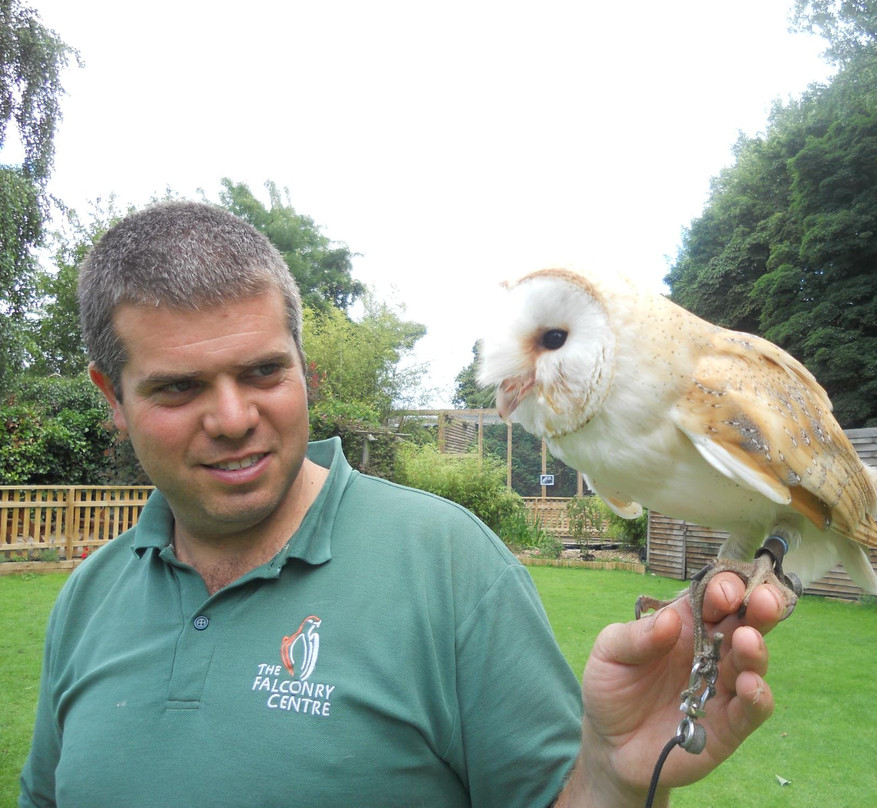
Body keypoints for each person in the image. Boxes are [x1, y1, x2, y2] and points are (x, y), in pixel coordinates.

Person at [19, 202, 785, 807]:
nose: (232, 417)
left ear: (305, 370)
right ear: (110, 398)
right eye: (179, 387)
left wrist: (613, 782)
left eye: (261, 372)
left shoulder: (448, 569)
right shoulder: (91, 597)